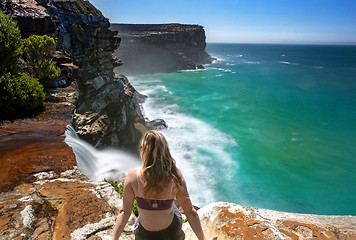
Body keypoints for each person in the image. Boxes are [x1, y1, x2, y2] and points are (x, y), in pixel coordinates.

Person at [112, 130, 207, 240]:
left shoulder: (133, 176)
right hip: (170, 233)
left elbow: (124, 212)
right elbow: (190, 212)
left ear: (143, 149)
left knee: (140, 218)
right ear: (165, 150)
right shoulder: (175, 176)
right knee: (172, 204)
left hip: (145, 235)